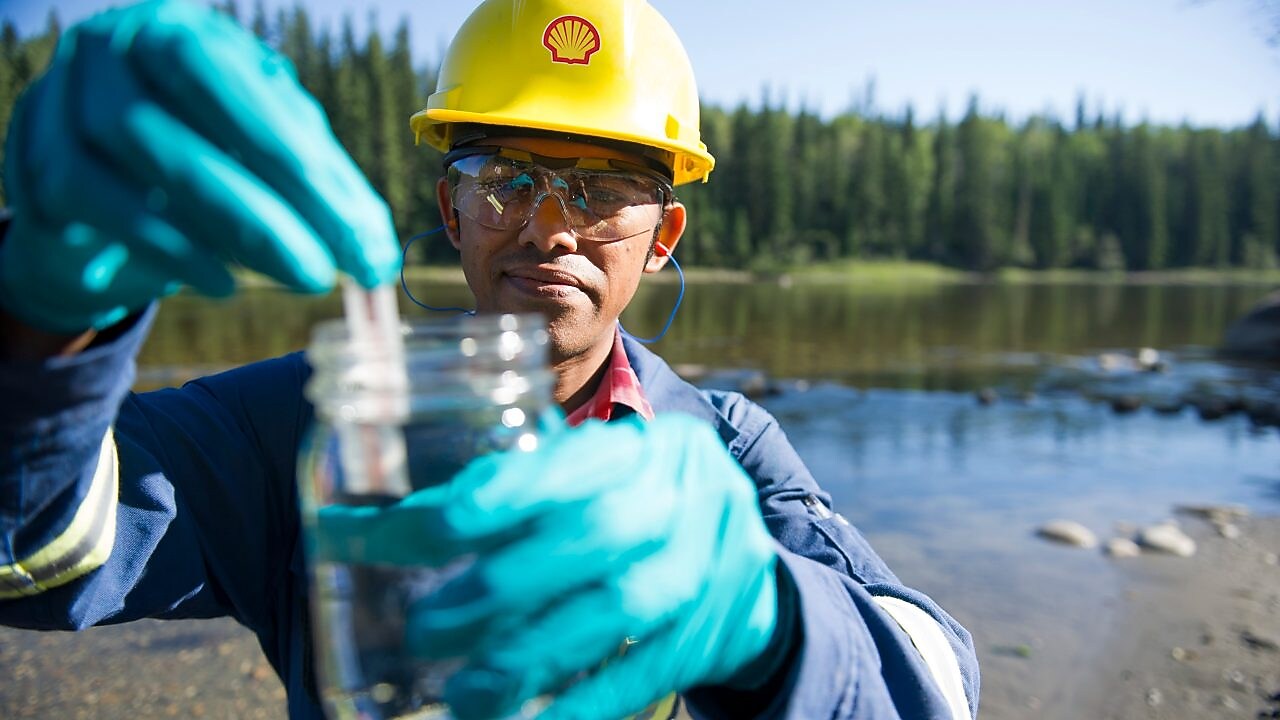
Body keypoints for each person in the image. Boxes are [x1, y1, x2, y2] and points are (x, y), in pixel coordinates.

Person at [0, 0, 979, 718]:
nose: (550, 229)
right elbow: (38, 555)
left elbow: (937, 681)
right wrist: (40, 323)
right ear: (450, 212)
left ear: (664, 234)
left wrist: (776, 622)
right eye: (504, 179)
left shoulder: (722, 449)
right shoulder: (306, 424)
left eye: (599, 190)